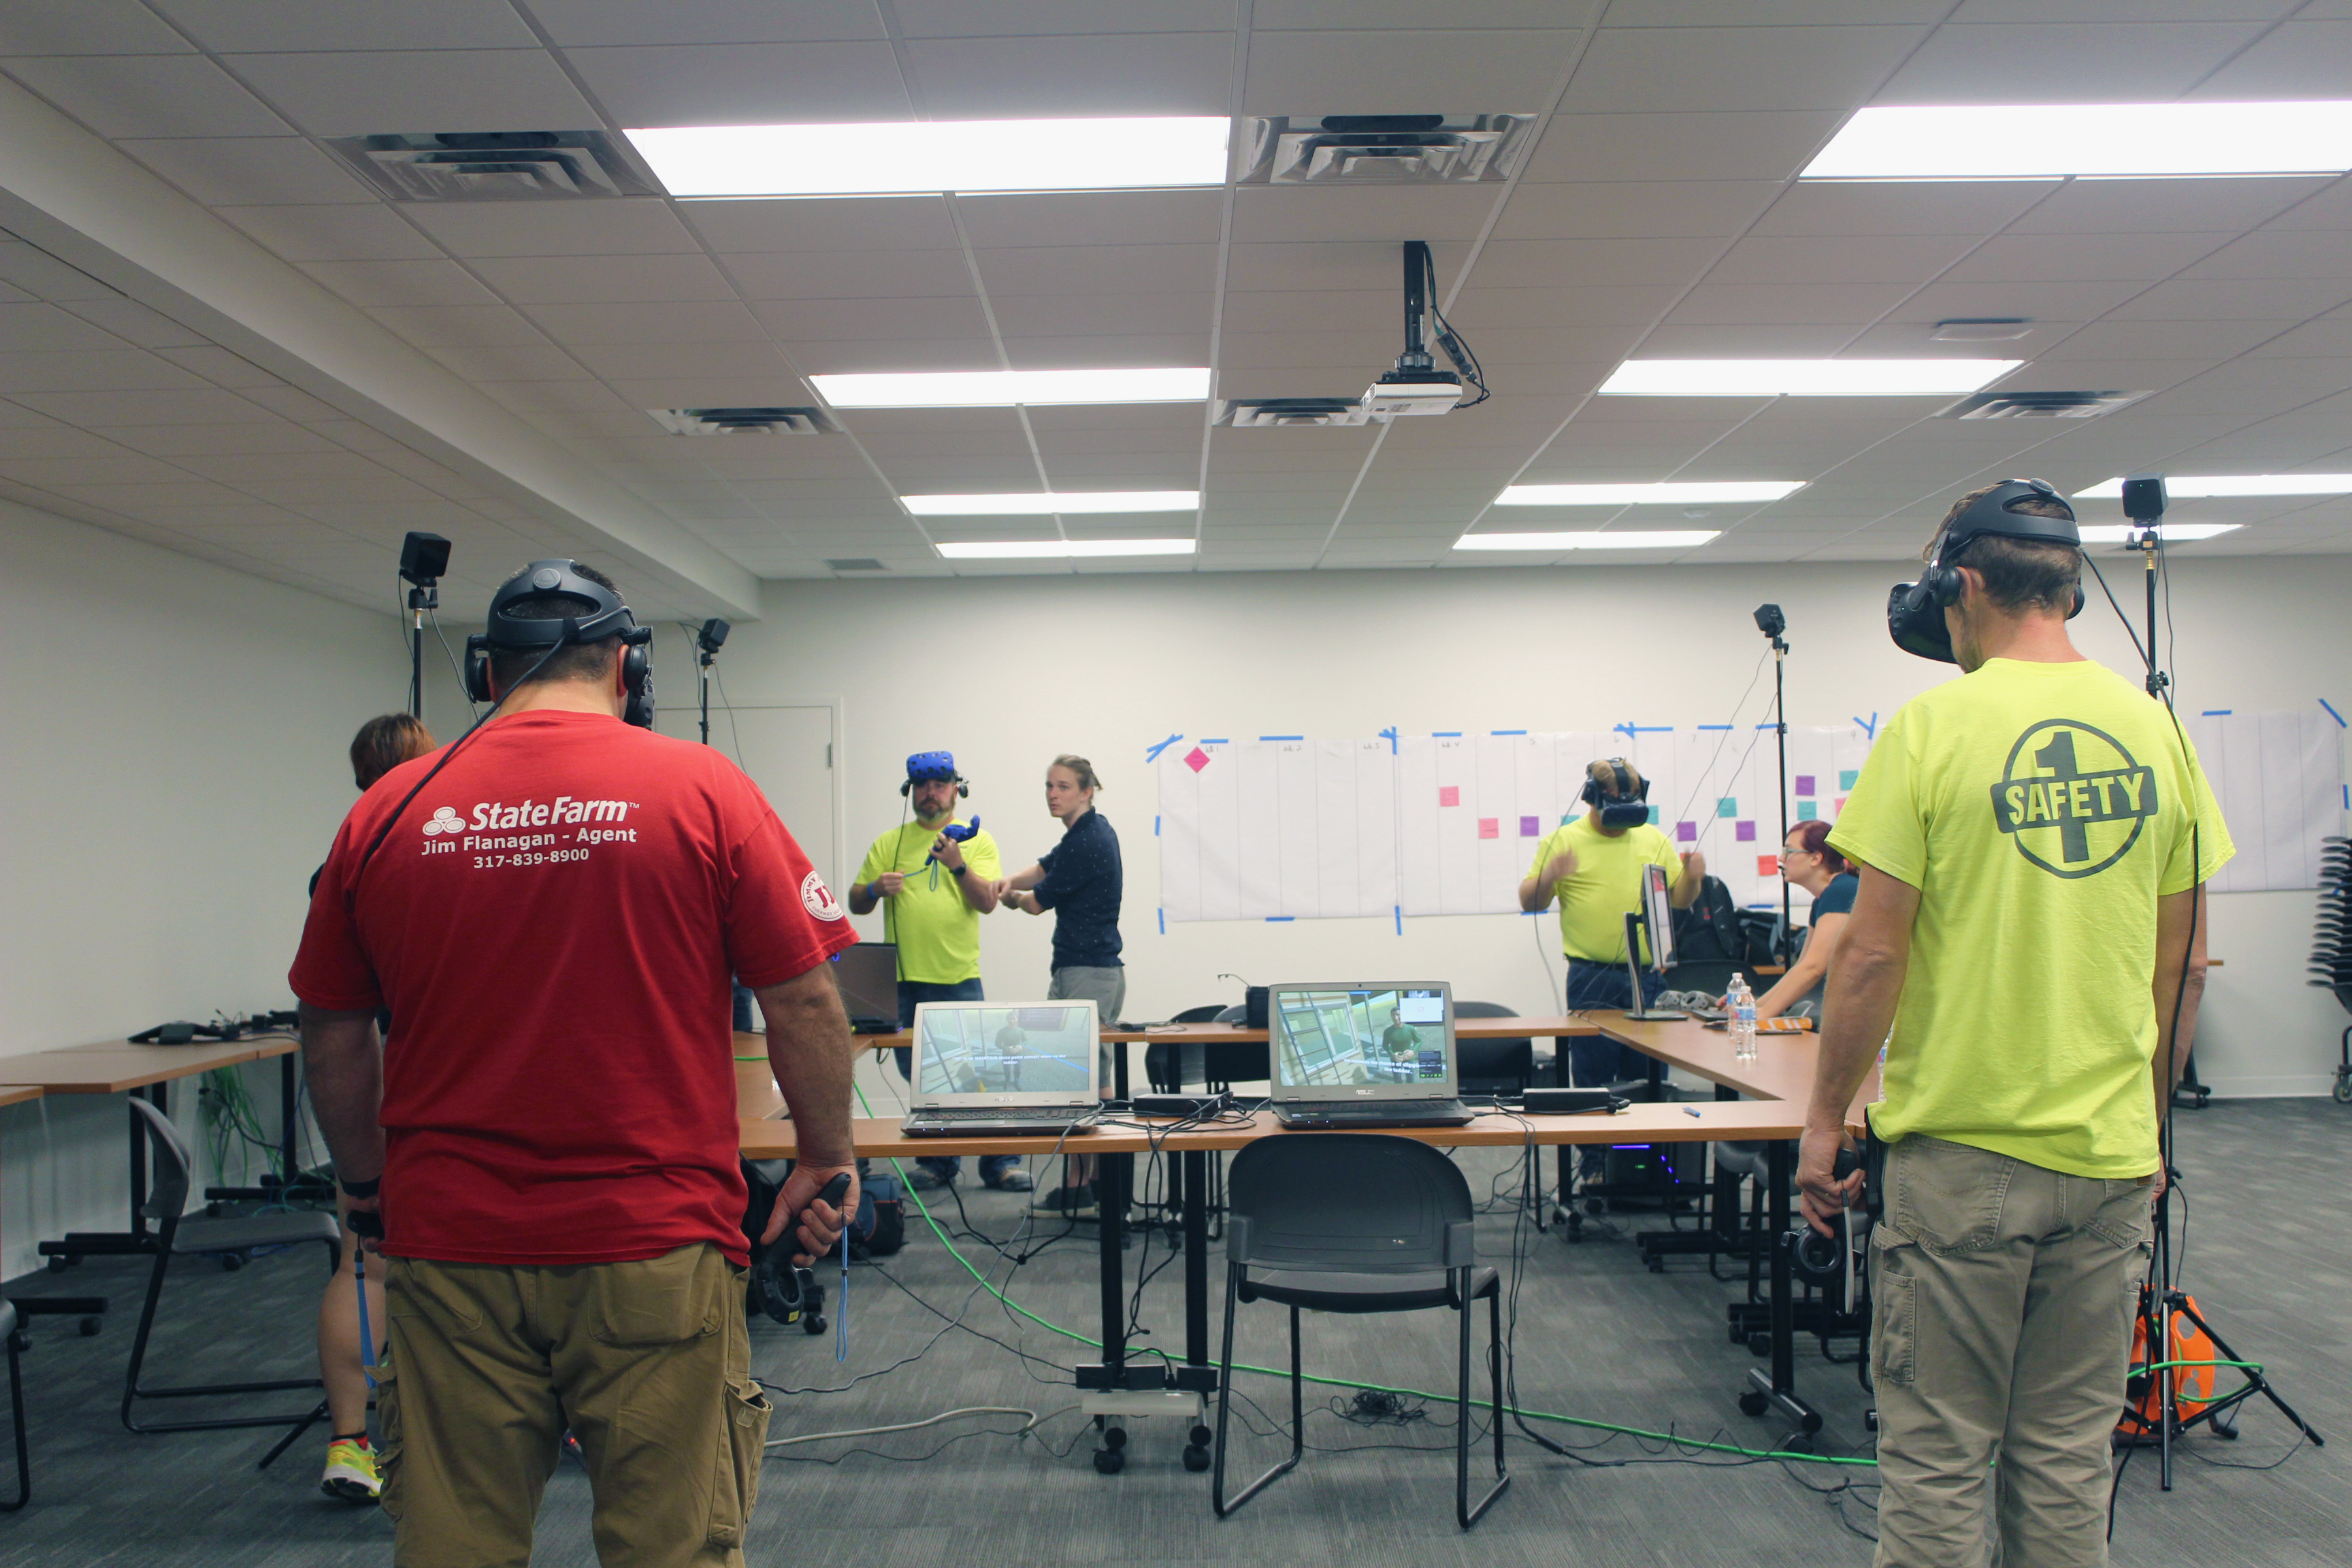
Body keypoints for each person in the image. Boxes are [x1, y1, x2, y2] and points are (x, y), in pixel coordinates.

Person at [292, 559, 862, 1567]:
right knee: (673, 1547)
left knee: (454, 1547)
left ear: (485, 674)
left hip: (452, 1244)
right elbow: (805, 996)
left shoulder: (386, 812)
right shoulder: (702, 787)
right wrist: (822, 1156)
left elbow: (332, 1028)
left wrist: (366, 1192)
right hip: (653, 1244)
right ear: (630, 667)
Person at [1796, 480, 2227, 1568]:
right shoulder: (2156, 730)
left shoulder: (1933, 726)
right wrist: (2153, 1129)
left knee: (1940, 1453)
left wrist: (1821, 1125)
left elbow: (1874, 952)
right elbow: (2180, 965)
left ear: (1966, 583)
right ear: (2068, 587)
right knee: (2068, 1453)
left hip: (1966, 1157)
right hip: (2111, 1158)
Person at [310, 713, 434, 1503]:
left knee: (367, 1262)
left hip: (374, 1082)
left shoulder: (342, 859)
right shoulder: (445, 847)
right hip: (429, 1079)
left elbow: (328, 1017)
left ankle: (352, 1442)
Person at [848, 751, 1024, 1193]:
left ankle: (999, 1161)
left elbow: (987, 902)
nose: (931, 794)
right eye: (922, 786)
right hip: (904, 981)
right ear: (911, 791)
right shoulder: (890, 842)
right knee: (921, 1075)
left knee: (981, 1074)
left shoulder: (976, 840)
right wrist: (874, 888)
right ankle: (937, 1162)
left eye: (940, 785)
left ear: (956, 789)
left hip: (958, 975)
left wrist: (957, 864)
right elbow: (855, 900)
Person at [1518, 758, 1705, 1084]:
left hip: (1648, 979)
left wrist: (1692, 878)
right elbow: (1530, 902)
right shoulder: (1562, 840)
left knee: (1649, 1079)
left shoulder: (1654, 839)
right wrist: (1550, 875)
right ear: (1593, 797)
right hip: (1592, 980)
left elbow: (1680, 900)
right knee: (1595, 1078)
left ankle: (1644, 1138)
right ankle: (1598, 1138)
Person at [1000, 755, 1124, 1219]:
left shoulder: (1088, 841)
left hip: (1087, 972)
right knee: (1094, 1077)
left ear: (1088, 791)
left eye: (1065, 787)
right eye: (1050, 786)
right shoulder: (1086, 833)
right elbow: (1042, 867)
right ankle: (1092, 1184)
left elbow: (1034, 904)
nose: (1054, 794)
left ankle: (1079, 1184)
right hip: (1091, 969)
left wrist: (1004, 896)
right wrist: (1004, 879)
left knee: (1077, 1081)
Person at [1752, 819, 1857, 1022]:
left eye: (1790, 852)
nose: (1781, 858)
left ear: (1816, 858)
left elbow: (1814, 968)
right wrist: (1754, 1007)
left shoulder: (1842, 891)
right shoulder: (1824, 899)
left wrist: (1763, 1015)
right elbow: (1800, 967)